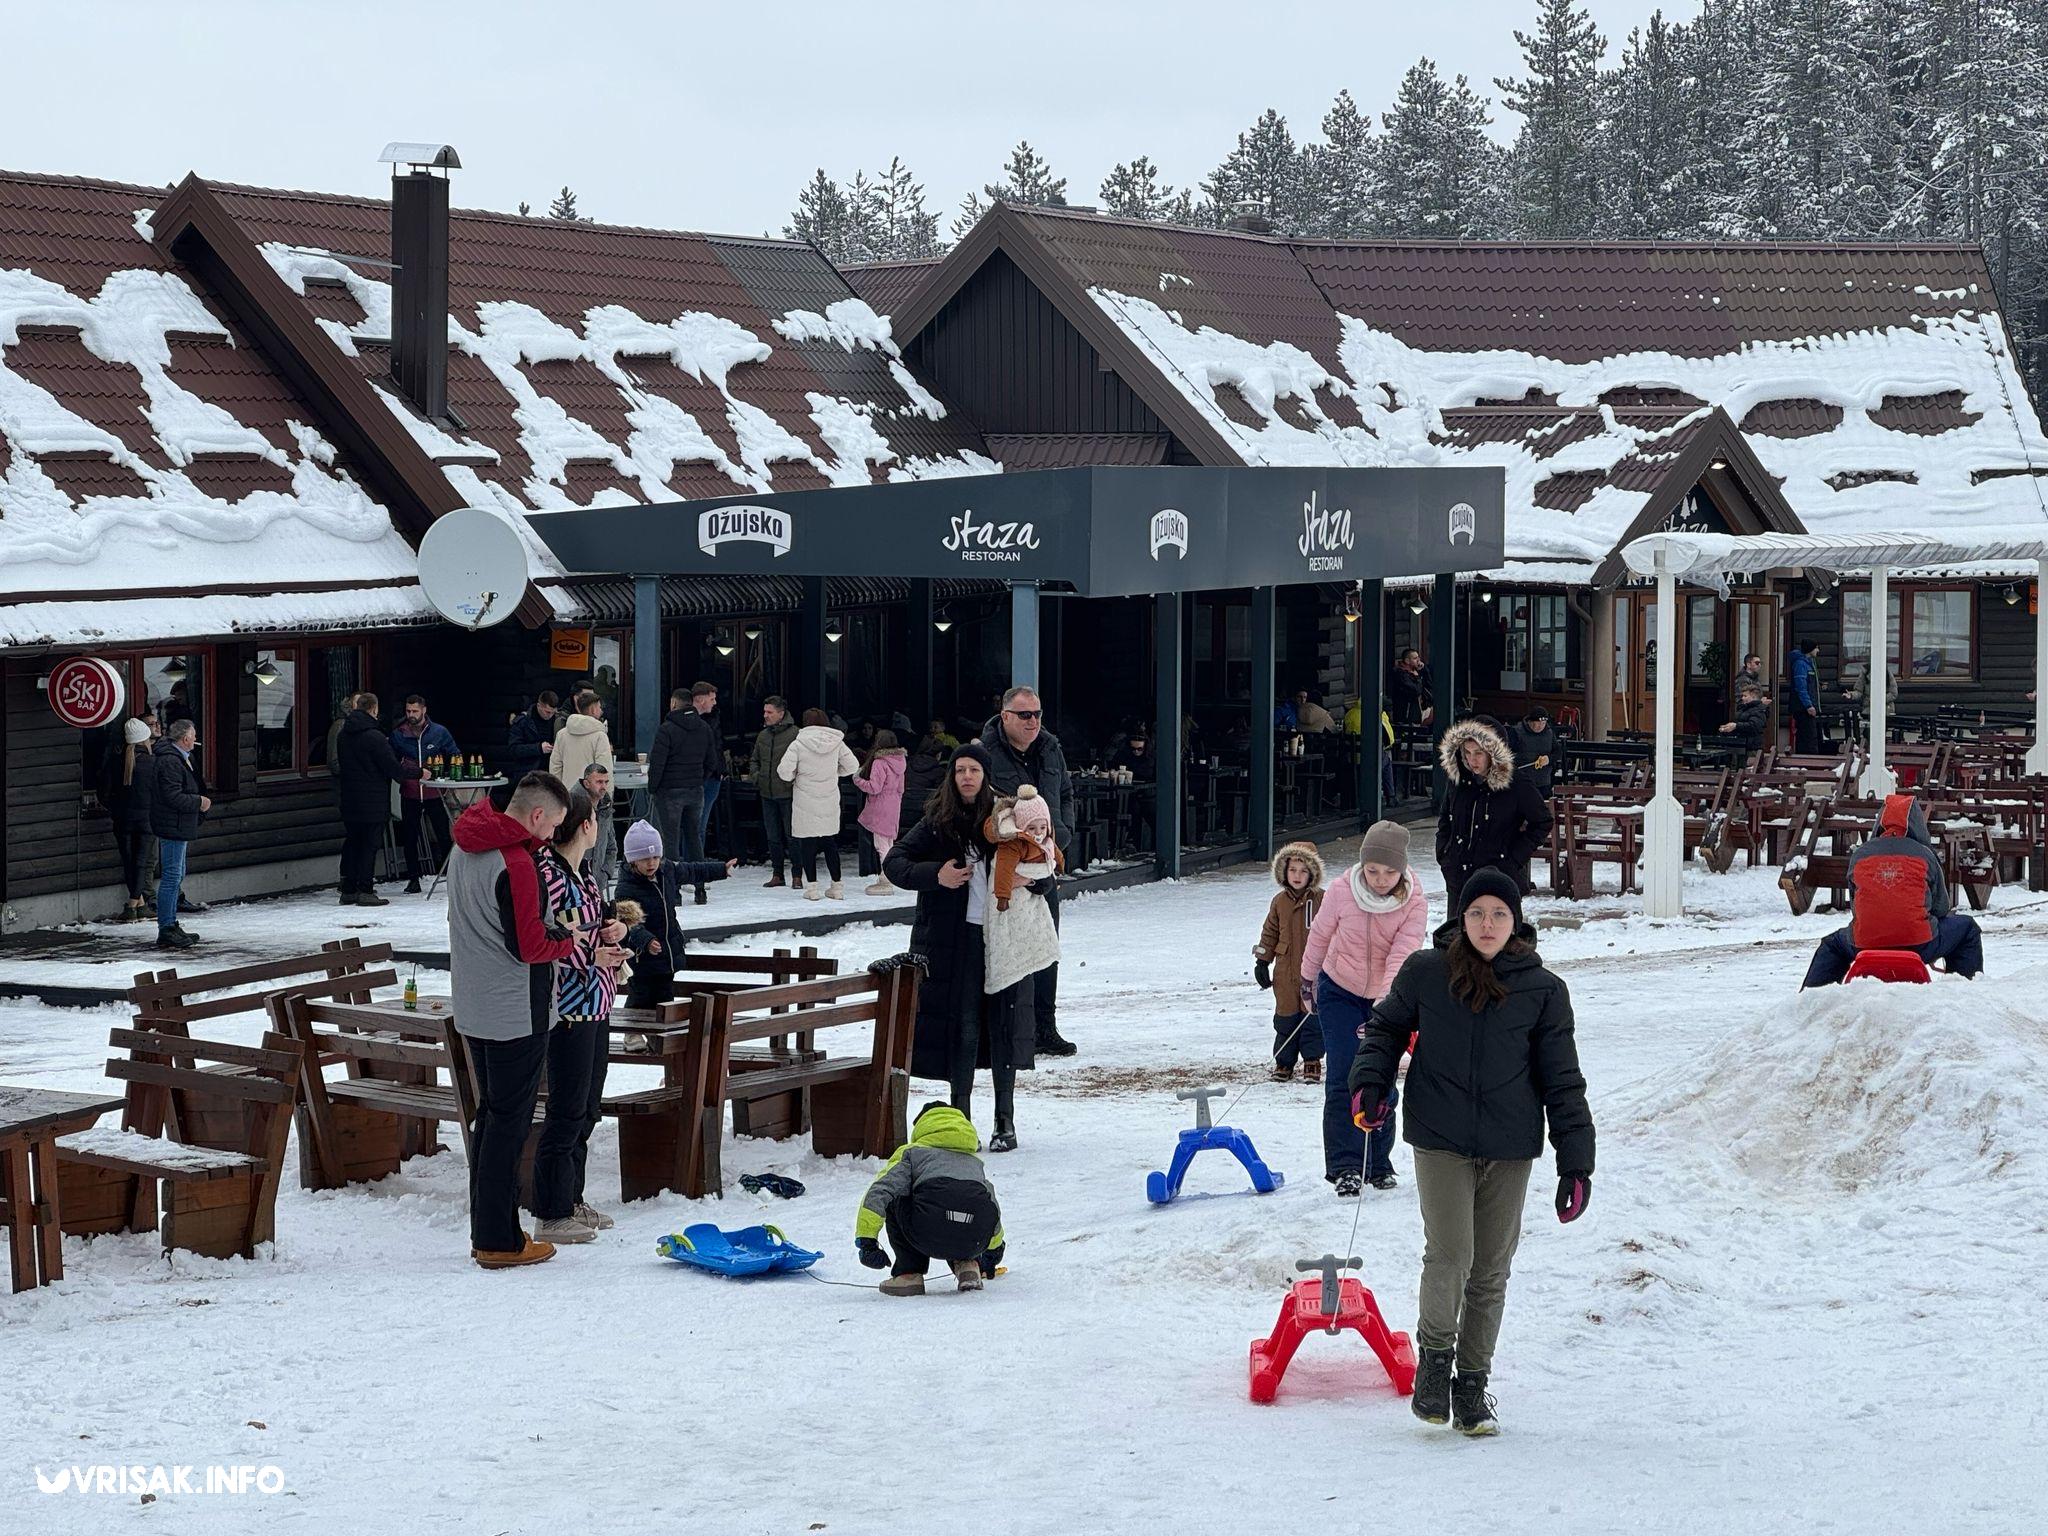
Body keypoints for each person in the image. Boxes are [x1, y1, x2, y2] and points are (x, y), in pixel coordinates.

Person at [1348, 868, 1594, 1436]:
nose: (1488, 924)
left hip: (1510, 1146)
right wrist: (1370, 1083)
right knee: (1451, 1252)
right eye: (1478, 913)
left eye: (1499, 914)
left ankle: (1472, 1384)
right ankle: (1435, 1366)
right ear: (1462, 919)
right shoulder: (1427, 972)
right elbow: (1384, 1031)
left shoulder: (1544, 990)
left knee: (1490, 1270)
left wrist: (1576, 1162)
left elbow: (1562, 1080)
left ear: (1516, 922)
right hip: (1441, 1136)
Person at [447, 771, 581, 1269]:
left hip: (475, 1004)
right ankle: (499, 1240)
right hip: (515, 1012)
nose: (553, 835)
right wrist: (567, 940)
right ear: (538, 814)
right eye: (555, 825)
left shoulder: (464, 847)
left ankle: (488, 1229)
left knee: (491, 1120)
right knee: (508, 1125)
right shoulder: (516, 861)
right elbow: (530, 946)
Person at [885, 744, 1033, 1150]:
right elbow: (894, 862)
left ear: (985, 776)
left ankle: (1005, 1119)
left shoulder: (1006, 818)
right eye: (960, 770)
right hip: (956, 941)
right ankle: (960, 1117)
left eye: (974, 770)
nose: (967, 777)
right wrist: (937, 874)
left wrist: (1031, 878)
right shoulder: (938, 821)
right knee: (963, 1028)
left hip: (1003, 936)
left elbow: (1046, 859)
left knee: (1003, 1026)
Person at [1301, 820, 1429, 1194]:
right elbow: (1320, 934)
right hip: (1339, 989)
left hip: (1386, 998)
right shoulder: (1342, 891)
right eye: (1372, 870)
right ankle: (1345, 1165)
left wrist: (1385, 1006)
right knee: (1344, 1074)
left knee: (1380, 1074)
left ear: (1402, 869)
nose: (1380, 880)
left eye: (1389, 872)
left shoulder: (1414, 903)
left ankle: (1377, 1163)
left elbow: (1402, 955)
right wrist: (1306, 980)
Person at [532, 789, 630, 1245]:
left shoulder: (585, 873)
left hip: (598, 1001)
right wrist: (594, 955)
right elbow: (549, 937)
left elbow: (591, 925)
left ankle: (571, 1199)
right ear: (586, 825)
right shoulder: (549, 874)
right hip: (568, 1006)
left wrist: (616, 930)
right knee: (566, 1109)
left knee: (588, 1108)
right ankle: (550, 1211)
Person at [979, 686, 1077, 1057]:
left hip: (1045, 865)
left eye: (1037, 714)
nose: (1033, 721)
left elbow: (1065, 793)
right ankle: (1009, 1030)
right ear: (1005, 716)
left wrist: (1061, 835)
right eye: (1024, 715)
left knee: (1046, 946)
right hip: (1007, 869)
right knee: (1009, 950)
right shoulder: (985, 753)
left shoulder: (1051, 748)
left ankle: (1045, 1027)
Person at [1801, 793, 1985, 987]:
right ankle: (1962, 989)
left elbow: (1857, 907)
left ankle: (1814, 996)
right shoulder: (1925, 855)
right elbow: (1941, 907)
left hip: (1864, 943)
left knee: (1832, 946)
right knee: (1967, 929)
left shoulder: (1860, 855)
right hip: (1920, 944)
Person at [854, 1101, 1005, 1297]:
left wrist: (867, 1240)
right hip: (973, 1239)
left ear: (923, 1126)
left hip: (927, 1230)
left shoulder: (912, 1153)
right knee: (965, 1202)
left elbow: (881, 1191)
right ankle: (968, 1266)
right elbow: (990, 1206)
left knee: (898, 1196)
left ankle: (909, 1274)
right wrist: (994, 1249)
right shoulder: (974, 1163)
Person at [614, 820, 734, 1009]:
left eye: (655, 857)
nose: (652, 863)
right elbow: (629, 923)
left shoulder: (666, 870)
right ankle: (634, 1028)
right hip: (642, 960)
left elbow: (692, 870)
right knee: (641, 999)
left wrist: (721, 869)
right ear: (633, 861)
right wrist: (645, 940)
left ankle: (662, 1028)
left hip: (667, 954)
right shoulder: (626, 888)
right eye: (645, 859)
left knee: (665, 999)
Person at [1436, 718, 1553, 899]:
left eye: (1479, 753)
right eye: (1467, 752)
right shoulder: (1458, 779)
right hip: (1458, 880)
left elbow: (1542, 821)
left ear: (1493, 752)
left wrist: (1513, 859)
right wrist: (1445, 853)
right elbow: (1445, 818)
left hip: (1500, 881)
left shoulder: (1516, 782)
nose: (1472, 759)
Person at [336, 693, 419, 907]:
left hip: (350, 798)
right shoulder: (375, 737)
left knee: (353, 843)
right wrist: (418, 773)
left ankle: (348, 889)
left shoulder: (343, 735)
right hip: (373, 800)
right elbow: (393, 768)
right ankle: (365, 890)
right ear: (374, 709)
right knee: (369, 846)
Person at [1252, 840, 1325, 1084]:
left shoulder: (1323, 900)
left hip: (1314, 970)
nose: (1297, 876)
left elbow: (1335, 931)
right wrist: (1262, 961)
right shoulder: (1279, 902)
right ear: (1284, 871)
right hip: (1284, 969)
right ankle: (1284, 1061)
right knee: (1285, 1016)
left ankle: (1312, 1059)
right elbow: (1270, 932)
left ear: (1312, 873)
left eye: (1303, 871)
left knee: (1312, 1016)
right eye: (1292, 870)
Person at [777, 708, 859, 900]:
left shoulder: (798, 743)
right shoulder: (837, 742)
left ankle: (812, 889)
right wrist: (834, 773)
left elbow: (784, 772)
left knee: (807, 843)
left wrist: (795, 776)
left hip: (805, 799)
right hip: (829, 797)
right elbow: (853, 766)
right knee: (829, 842)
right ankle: (837, 887)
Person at [147, 719, 210, 949]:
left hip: (178, 824)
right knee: (172, 876)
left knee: (177, 874)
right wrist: (199, 802)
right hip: (172, 824)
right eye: (193, 736)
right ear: (185, 739)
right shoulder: (170, 761)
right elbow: (172, 796)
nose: (195, 740)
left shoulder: (180, 758)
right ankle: (166, 927)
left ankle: (171, 923)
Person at [647, 685, 720, 880]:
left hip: (669, 791)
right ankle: (700, 885)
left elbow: (657, 763)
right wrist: (699, 779)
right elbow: (712, 761)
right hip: (695, 790)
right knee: (694, 837)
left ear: (673, 703)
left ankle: (674, 886)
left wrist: (653, 788)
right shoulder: (704, 728)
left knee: (670, 840)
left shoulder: (666, 729)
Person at [391, 695, 459, 894]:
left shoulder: (438, 732)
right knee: (410, 836)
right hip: (410, 792)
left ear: (424, 710)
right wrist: (402, 778)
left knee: (443, 834)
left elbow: (454, 754)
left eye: (415, 711)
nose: (411, 715)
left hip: (434, 792)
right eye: (408, 711)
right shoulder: (399, 734)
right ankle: (413, 879)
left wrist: (445, 777)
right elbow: (391, 762)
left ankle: (451, 876)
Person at [99, 716, 156, 923]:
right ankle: (133, 905)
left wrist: (115, 809)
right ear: (145, 739)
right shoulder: (153, 763)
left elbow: (103, 793)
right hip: (148, 819)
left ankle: (139, 905)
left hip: (122, 819)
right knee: (141, 863)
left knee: (129, 861)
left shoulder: (116, 762)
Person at [749, 696, 801, 888]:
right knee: (772, 836)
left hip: (788, 793)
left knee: (792, 835)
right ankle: (777, 873)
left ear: (781, 713)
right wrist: (757, 776)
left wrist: (794, 782)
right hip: (767, 793)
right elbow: (754, 759)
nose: (766, 715)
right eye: (765, 711)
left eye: (769, 712)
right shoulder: (763, 735)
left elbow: (802, 762)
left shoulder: (795, 734)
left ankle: (797, 874)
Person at [854, 728, 908, 896]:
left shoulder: (880, 762)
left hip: (880, 804)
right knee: (889, 842)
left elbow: (874, 787)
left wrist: (858, 780)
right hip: (894, 803)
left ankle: (887, 877)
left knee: (881, 845)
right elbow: (901, 788)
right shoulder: (901, 761)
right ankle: (888, 875)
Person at [691, 683, 727, 878]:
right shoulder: (691, 721)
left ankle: (696, 867)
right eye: (711, 699)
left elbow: (717, 747)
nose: (714, 702)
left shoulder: (714, 718)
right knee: (694, 825)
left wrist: (719, 770)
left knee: (699, 825)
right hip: (699, 777)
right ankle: (693, 869)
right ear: (701, 699)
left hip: (711, 777)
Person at [548, 689, 614, 785]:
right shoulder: (600, 736)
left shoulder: (562, 734)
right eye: (599, 707)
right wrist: (607, 792)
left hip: (567, 790)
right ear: (593, 710)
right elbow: (604, 768)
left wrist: (558, 790)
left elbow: (555, 766)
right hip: (591, 791)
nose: (601, 711)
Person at [578, 761, 620, 897]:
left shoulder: (606, 807)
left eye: (606, 782)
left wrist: (606, 873)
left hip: (598, 885)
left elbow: (611, 846)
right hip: (575, 885)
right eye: (599, 782)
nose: (604, 787)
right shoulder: (572, 806)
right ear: (586, 783)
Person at [1507, 706, 1559, 801]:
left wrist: (1549, 759)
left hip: (1544, 782)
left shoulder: (1549, 733)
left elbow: (1558, 751)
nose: (1541, 726)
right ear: (1530, 721)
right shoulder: (1516, 732)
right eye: (1538, 723)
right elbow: (1507, 754)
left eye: (1543, 723)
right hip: (1522, 781)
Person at [506, 690, 558, 774]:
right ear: (539, 706)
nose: (550, 715)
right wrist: (538, 748)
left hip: (551, 771)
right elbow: (513, 749)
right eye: (547, 712)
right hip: (527, 772)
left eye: (553, 712)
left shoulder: (557, 720)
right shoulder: (522, 721)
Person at [1789, 639, 1823, 754]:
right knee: (1808, 738)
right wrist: (1808, 705)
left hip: (1807, 706)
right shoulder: (1801, 664)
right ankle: (1808, 760)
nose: (1818, 650)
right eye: (1816, 648)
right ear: (1810, 649)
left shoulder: (1809, 663)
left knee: (1809, 737)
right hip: (1803, 708)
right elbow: (1801, 687)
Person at [1719, 681, 1769, 752]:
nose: (1742, 698)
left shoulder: (1759, 710)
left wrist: (1735, 726)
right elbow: (1741, 724)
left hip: (1751, 747)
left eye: (1745, 696)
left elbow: (1754, 726)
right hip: (1742, 745)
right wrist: (1729, 728)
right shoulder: (1744, 708)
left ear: (1753, 696)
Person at [1390, 649, 1434, 729]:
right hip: (1407, 714)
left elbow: (1429, 686)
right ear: (1407, 661)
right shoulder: (1400, 673)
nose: (1418, 661)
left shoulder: (1416, 671)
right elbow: (1416, 691)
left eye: (1418, 658)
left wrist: (1424, 670)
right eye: (1415, 658)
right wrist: (1417, 677)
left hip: (1422, 708)